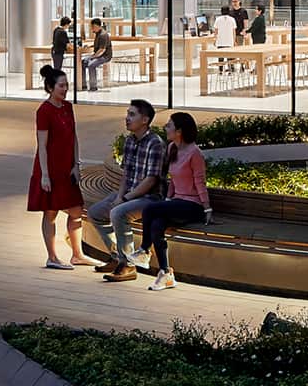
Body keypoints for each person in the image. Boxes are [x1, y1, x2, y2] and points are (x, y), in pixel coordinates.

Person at [85, 99, 166, 281]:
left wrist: (126, 198)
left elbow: (151, 180)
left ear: (144, 120)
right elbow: (126, 174)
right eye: (127, 114)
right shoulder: (130, 141)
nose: (127, 118)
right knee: (95, 213)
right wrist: (120, 196)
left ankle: (128, 265)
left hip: (150, 199)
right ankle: (117, 257)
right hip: (129, 194)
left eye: (132, 114)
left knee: (118, 213)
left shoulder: (155, 143)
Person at [136, 111, 212, 290]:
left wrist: (207, 209)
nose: (165, 127)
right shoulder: (172, 148)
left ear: (179, 131)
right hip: (177, 203)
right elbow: (173, 179)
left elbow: (200, 182)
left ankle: (144, 250)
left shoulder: (195, 153)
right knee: (156, 225)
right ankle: (166, 274)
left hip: (193, 206)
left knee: (149, 209)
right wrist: (168, 200)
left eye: (169, 125)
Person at [28, 67, 90, 270]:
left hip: (67, 168)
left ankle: (77, 254)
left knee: (76, 210)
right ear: (50, 87)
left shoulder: (67, 107)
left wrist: (76, 164)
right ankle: (52, 256)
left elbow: (74, 138)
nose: (65, 89)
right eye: (61, 86)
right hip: (51, 168)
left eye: (66, 85)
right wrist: (45, 175)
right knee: (51, 212)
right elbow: (42, 145)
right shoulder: (44, 111)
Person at [81, 19, 113, 92]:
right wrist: (90, 46)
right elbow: (98, 45)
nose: (92, 28)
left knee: (91, 65)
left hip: (105, 56)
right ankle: (83, 84)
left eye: (92, 27)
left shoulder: (103, 35)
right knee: (83, 62)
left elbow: (102, 50)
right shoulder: (98, 33)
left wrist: (93, 57)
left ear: (97, 26)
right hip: (98, 55)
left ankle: (93, 86)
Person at [212, 7, 236, 74]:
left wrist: (214, 40)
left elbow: (216, 31)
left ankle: (220, 71)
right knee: (230, 57)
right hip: (229, 41)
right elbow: (234, 31)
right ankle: (230, 70)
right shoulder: (232, 19)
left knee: (220, 56)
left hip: (220, 41)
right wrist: (234, 41)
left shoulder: (218, 19)